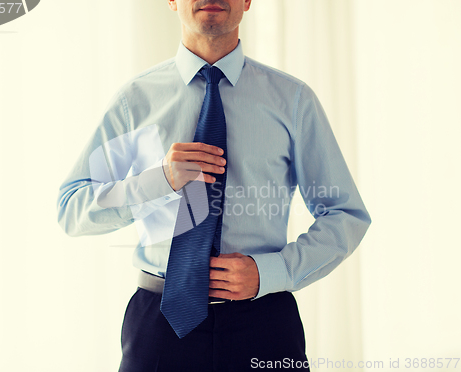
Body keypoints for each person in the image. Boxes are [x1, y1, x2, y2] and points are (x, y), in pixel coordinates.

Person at [56, 0, 371, 370]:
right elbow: (71, 209)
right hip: (160, 327)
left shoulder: (293, 101)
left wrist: (271, 271)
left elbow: (345, 215)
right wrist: (158, 180)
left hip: (264, 323)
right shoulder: (134, 102)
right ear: (171, 1)